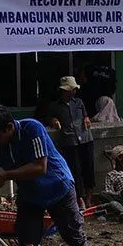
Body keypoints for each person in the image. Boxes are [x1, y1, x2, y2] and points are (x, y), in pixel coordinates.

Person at [0, 103, 90, 246]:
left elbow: (40, 167)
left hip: (58, 188)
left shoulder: (32, 129)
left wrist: (6, 175)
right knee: (26, 243)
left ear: (9, 127)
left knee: (75, 239)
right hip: (30, 195)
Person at [49, 76, 95, 208]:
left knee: (88, 167)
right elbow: (49, 118)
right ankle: (79, 198)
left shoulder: (79, 102)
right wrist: (54, 121)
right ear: (64, 91)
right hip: (69, 140)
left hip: (85, 137)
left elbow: (85, 115)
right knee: (75, 169)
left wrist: (86, 118)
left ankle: (89, 196)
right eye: (70, 90)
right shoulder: (55, 106)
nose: (73, 92)